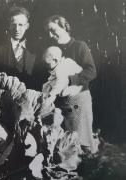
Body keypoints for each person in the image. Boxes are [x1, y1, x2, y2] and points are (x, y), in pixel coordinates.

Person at [43, 15, 97, 153]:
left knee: (81, 135)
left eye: (53, 30)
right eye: (48, 32)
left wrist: (71, 80)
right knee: (65, 140)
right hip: (61, 101)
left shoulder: (79, 46)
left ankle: (87, 164)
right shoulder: (52, 50)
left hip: (79, 99)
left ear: (64, 26)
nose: (50, 34)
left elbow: (91, 72)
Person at [0, 6, 38, 88]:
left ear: (27, 26)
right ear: (9, 25)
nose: (17, 29)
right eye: (14, 25)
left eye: (21, 25)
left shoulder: (35, 49)